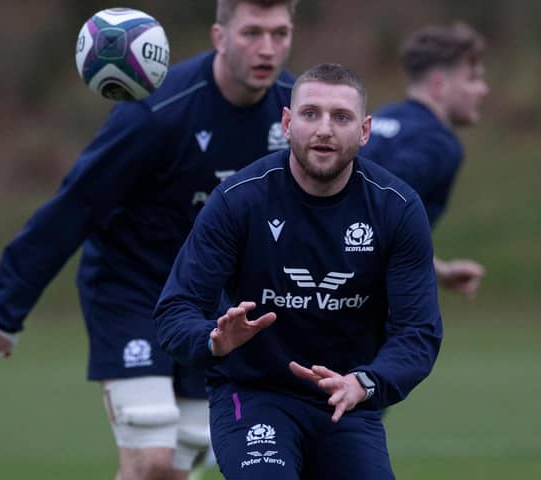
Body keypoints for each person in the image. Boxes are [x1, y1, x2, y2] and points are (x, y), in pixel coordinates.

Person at [0, 1, 299, 479]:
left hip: (216, 303)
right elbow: (74, 207)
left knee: (175, 465)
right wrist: (5, 312)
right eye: (251, 33)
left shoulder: (300, 114)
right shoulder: (156, 114)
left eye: (279, 33)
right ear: (219, 37)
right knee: (153, 455)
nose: (267, 48)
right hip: (132, 288)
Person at [154, 63, 443, 479]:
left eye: (341, 117)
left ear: (364, 131)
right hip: (253, 393)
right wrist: (214, 340)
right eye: (310, 114)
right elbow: (174, 310)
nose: (324, 129)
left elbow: (418, 332)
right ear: (288, 123)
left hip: (346, 400)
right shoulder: (239, 200)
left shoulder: (396, 207)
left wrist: (367, 382)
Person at [360, 21, 489, 297]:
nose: (483, 90)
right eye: (473, 78)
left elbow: (379, 223)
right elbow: (375, 211)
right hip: (355, 297)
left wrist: (439, 270)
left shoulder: (382, 117)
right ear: (438, 85)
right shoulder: (438, 143)